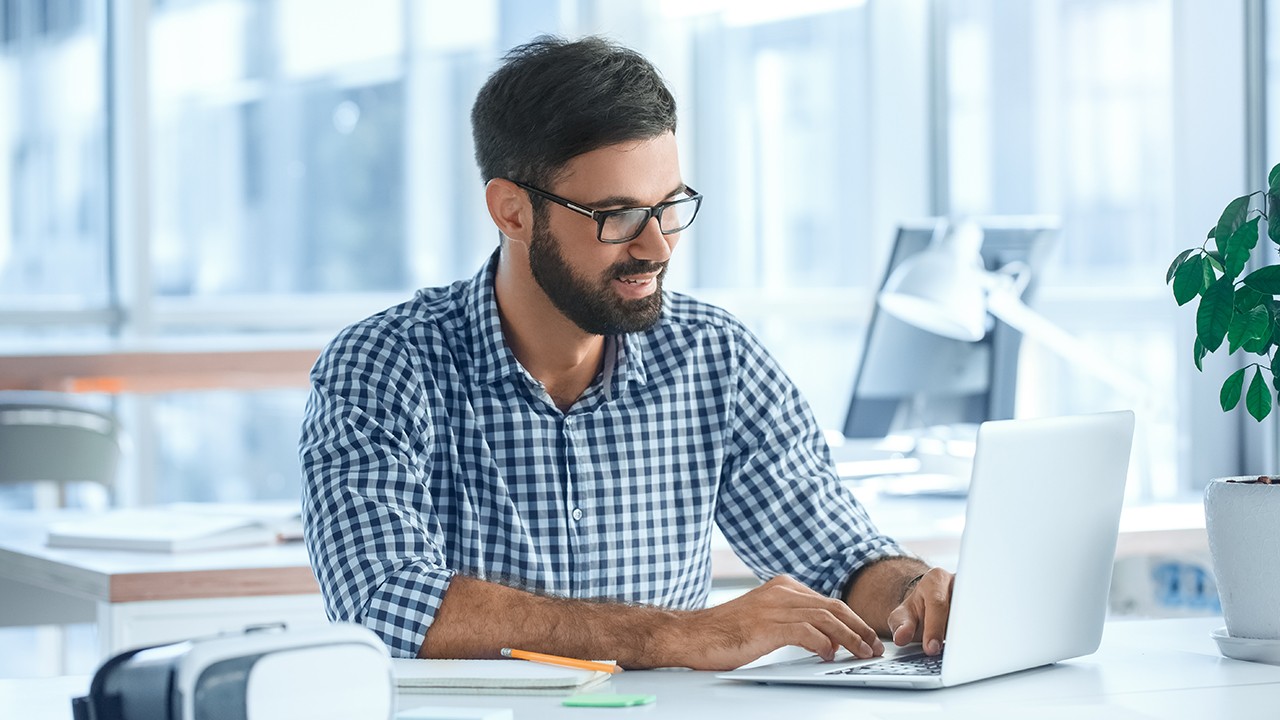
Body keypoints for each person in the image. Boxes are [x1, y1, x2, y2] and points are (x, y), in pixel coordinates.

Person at [300, 35, 954, 671]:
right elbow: (382, 602)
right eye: (616, 216)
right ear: (513, 212)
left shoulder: (712, 356)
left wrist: (916, 594)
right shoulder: (384, 366)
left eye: (668, 207)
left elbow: (839, 558)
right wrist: (679, 636)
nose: (658, 248)